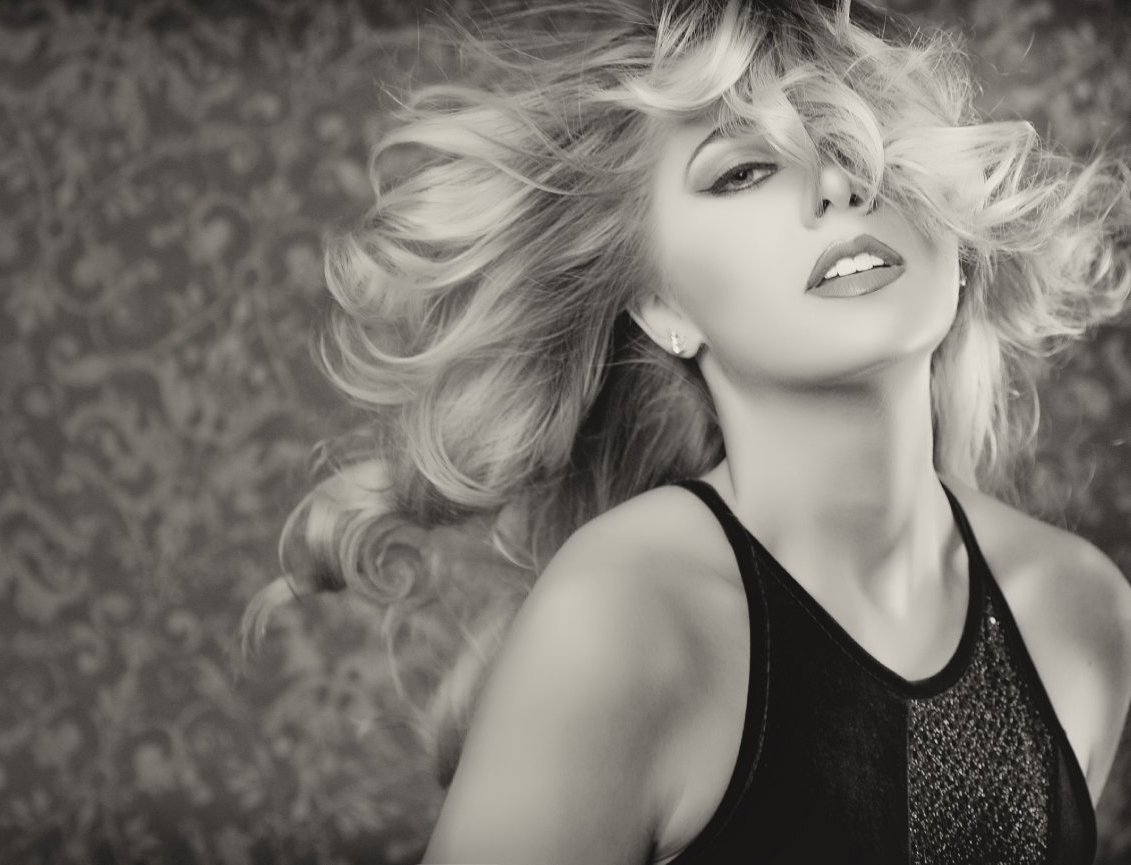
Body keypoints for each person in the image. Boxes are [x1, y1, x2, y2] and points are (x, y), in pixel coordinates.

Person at [241, 0, 1131, 861]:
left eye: (866, 139)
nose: (836, 183)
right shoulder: (624, 622)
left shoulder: (1078, 608)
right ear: (663, 306)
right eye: (742, 171)